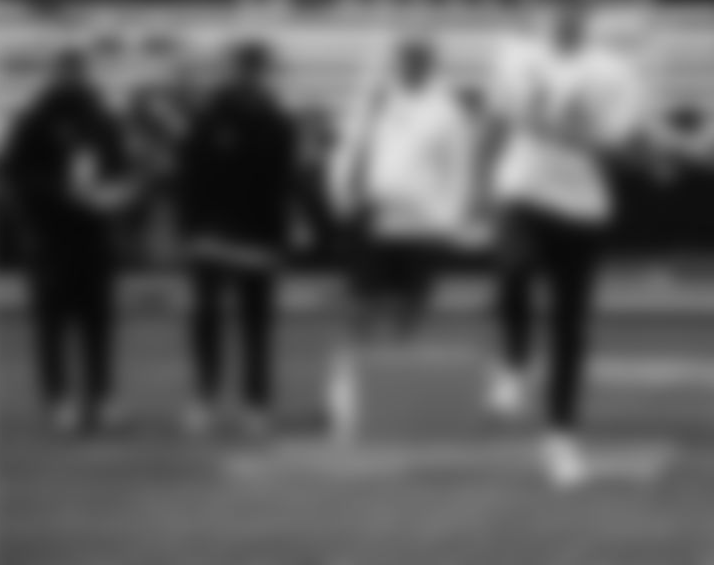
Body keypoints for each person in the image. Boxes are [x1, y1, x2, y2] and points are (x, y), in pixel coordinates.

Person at [482, 0, 656, 489]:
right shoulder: (516, 56)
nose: (565, 13)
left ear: (588, 13)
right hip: (523, 187)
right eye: (556, 3)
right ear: (544, 11)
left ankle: (561, 437)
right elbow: (495, 120)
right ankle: (513, 359)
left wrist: (611, 143)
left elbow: (622, 143)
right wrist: (476, 183)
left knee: (570, 327)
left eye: (575, 4)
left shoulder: (613, 71)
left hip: (580, 204)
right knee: (512, 270)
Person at [323, 37, 486, 441]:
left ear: (431, 65)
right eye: (406, 60)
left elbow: (460, 169)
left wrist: (451, 219)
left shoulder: (447, 111)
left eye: (420, 61)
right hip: (374, 217)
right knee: (360, 310)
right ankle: (345, 400)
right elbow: (347, 152)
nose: (412, 66)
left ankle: (393, 400)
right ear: (396, 63)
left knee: (409, 312)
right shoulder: (372, 101)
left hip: (423, 225)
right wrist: (342, 197)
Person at [1, 47, 136, 435]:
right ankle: (58, 398)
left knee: (99, 322)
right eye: (65, 72)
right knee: (51, 323)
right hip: (49, 236)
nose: (72, 79)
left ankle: (102, 396)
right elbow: (16, 176)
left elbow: (121, 168)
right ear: (54, 74)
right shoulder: (34, 120)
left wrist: (118, 194)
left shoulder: (101, 119)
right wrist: (61, 192)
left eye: (77, 72)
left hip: (94, 236)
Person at [176, 42, 298, 436]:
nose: (251, 76)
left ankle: (256, 403)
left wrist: (280, 240)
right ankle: (204, 400)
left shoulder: (278, 121)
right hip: (211, 234)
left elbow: (283, 186)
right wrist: (188, 230)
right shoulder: (209, 117)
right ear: (233, 71)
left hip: (258, 235)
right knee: (207, 321)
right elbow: (189, 177)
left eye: (258, 70)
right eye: (245, 69)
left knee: (256, 324)